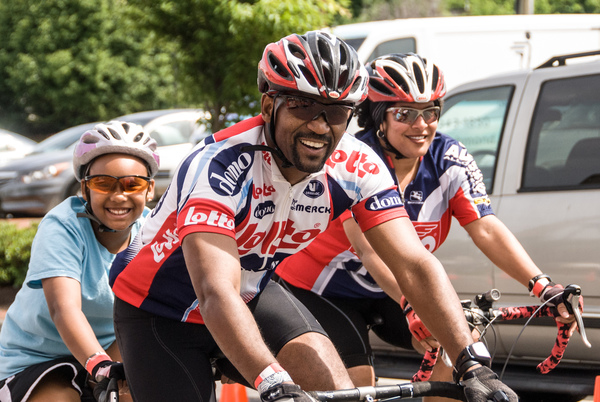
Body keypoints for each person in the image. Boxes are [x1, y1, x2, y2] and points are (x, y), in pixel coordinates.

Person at [109, 32, 517, 402]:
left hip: (250, 290)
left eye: (337, 112)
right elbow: (214, 291)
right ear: (269, 104)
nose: (320, 126)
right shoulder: (220, 166)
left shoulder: (356, 165)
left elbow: (414, 263)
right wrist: (272, 381)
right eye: (304, 106)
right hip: (160, 307)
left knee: (337, 392)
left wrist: (472, 361)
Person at [275, 53, 578, 401]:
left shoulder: (449, 158)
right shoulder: (353, 158)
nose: (421, 125)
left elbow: (487, 228)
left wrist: (542, 285)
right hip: (323, 288)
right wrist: (413, 305)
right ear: (378, 118)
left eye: (430, 112)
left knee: (459, 347)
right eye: (404, 114)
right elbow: (370, 249)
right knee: (354, 384)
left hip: (397, 288)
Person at [0, 121, 159, 402]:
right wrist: (98, 363)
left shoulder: (153, 230)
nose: (119, 195)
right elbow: (64, 309)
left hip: (108, 352)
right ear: (85, 189)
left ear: (149, 190)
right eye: (102, 183)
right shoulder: (62, 226)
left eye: (133, 184)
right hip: (36, 357)